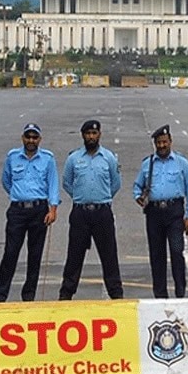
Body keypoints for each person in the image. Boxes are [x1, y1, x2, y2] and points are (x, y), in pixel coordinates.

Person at [0, 123, 60, 302]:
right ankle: (0, 296)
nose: (31, 140)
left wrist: (53, 209)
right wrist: (18, 196)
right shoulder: (13, 157)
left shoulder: (47, 159)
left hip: (39, 211)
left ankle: (29, 295)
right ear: (23, 138)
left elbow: (53, 184)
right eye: (28, 137)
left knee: (35, 255)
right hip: (18, 211)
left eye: (34, 137)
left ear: (40, 139)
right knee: (10, 253)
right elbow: (6, 181)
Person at [59, 119, 123, 300]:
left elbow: (115, 183)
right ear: (83, 135)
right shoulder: (74, 158)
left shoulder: (109, 158)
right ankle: (66, 294)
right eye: (88, 134)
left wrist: (101, 198)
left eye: (94, 133)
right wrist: (81, 198)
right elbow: (67, 183)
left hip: (102, 212)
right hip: (80, 213)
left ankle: (116, 295)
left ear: (99, 135)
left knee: (109, 255)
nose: (91, 137)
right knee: (74, 256)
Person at [133, 124, 188, 298]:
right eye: (158, 143)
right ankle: (160, 295)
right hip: (154, 214)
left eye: (164, 142)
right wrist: (138, 196)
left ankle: (180, 292)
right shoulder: (148, 164)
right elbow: (137, 185)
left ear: (170, 142)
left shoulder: (181, 163)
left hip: (174, 213)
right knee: (157, 255)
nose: (161, 146)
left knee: (177, 251)